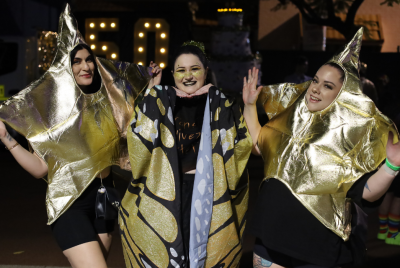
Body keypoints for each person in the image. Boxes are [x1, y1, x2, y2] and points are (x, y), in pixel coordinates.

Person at [0, 5, 160, 268]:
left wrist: (151, 87)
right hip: (69, 204)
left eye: (89, 59)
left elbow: (137, 131)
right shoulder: (50, 115)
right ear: (66, 67)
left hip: (105, 198)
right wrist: (7, 139)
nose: (86, 66)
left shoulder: (108, 104)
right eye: (77, 61)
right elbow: (40, 169)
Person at [242, 28, 399, 267]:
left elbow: (365, 191)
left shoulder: (350, 141)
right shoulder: (289, 123)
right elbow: (258, 144)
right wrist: (250, 106)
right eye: (315, 80)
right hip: (270, 242)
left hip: (317, 250)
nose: (315, 88)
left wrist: (391, 167)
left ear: (342, 95)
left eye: (327, 86)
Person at [119, 41, 252, 268]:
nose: (188, 76)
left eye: (195, 69)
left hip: (209, 190)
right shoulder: (161, 99)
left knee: (206, 253)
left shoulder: (221, 102)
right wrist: (152, 90)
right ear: (173, 74)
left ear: (206, 72)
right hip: (164, 191)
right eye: (181, 70)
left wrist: (240, 103)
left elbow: (240, 144)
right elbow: (136, 136)